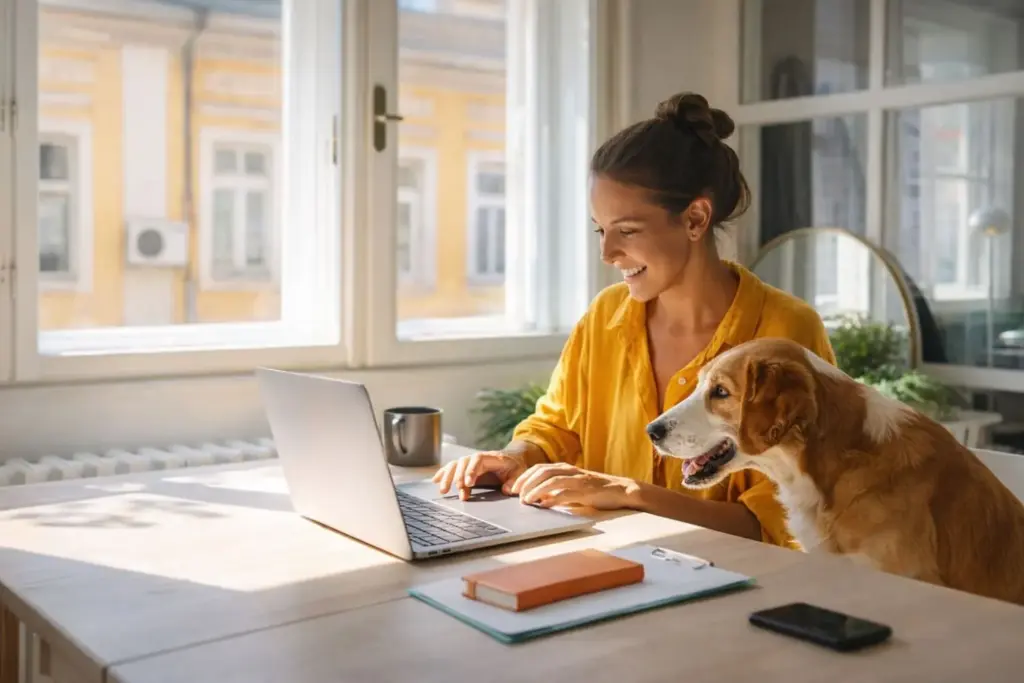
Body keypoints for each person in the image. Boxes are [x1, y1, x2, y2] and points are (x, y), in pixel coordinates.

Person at [433, 91, 836, 548]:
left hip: (736, 589)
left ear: (695, 219)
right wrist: (515, 456)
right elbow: (558, 426)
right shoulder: (606, 316)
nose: (607, 253)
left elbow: (784, 525)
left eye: (626, 231)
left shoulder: (787, 333)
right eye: (601, 230)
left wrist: (631, 495)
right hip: (608, 570)